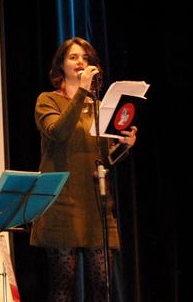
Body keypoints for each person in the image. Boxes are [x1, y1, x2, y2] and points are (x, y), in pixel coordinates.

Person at [29, 37, 138, 302]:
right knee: (63, 286)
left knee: (103, 285)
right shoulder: (48, 101)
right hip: (62, 203)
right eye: (74, 57)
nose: (80, 62)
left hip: (95, 205)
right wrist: (82, 92)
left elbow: (104, 160)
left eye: (86, 58)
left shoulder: (100, 107)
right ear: (61, 66)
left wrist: (125, 146)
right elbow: (59, 132)